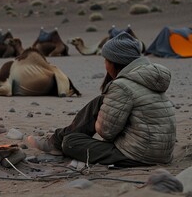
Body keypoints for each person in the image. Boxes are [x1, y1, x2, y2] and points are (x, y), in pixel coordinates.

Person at [28, 32, 176, 167]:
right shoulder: (148, 79)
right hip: (161, 153)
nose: (105, 65)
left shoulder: (122, 86)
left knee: (70, 142)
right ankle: (57, 140)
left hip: (138, 155)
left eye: (106, 60)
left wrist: (100, 118)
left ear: (114, 61)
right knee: (101, 101)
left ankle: (57, 141)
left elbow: (106, 132)